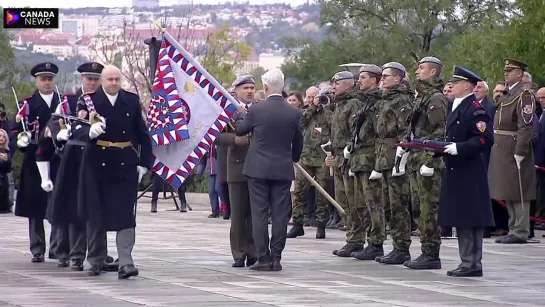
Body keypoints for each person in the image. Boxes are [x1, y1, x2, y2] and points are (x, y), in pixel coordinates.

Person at [77, 65, 152, 278]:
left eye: (117, 79)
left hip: (124, 162)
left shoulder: (130, 100)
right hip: (97, 162)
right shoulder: (89, 100)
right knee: (96, 212)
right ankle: (95, 259)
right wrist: (88, 131)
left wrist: (143, 163)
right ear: (102, 81)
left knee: (125, 213)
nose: (113, 83)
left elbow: (142, 133)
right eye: (109, 79)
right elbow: (77, 127)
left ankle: (126, 262)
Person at [234, 69, 303, 271]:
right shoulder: (294, 112)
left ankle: (263, 257)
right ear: (282, 86)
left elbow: (241, 130)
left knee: (259, 214)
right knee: (280, 215)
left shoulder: (257, 110)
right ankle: (276, 258)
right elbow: (299, 140)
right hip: (282, 168)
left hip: (257, 169)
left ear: (265, 87)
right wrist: (293, 158)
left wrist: (239, 115)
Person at [439, 66, 494, 277]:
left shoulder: (475, 108)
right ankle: (467, 261)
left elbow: (485, 138)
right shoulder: (456, 105)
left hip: (469, 169)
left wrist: (459, 148)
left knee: (470, 218)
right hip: (457, 168)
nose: (452, 85)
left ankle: (472, 263)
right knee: (462, 217)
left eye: (457, 82)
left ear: (468, 86)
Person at [12, 62, 60, 263]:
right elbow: (15, 130)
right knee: (35, 205)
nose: (47, 83)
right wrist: (21, 141)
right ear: (36, 81)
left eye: (49, 79)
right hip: (34, 156)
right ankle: (37, 247)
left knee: (59, 203)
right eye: (43, 79)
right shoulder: (27, 104)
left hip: (57, 156)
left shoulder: (62, 102)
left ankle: (57, 247)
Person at [403, 57, 448, 270]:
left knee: (428, 208)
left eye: (422, 68)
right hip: (415, 158)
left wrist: (431, 160)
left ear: (433, 73)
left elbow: (439, 132)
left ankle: (431, 253)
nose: (417, 71)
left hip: (426, 160)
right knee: (418, 208)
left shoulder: (436, 98)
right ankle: (425, 250)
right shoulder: (420, 97)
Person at [488, 59, 536, 244]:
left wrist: (520, 150)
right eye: (505, 70)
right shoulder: (508, 94)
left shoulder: (523, 95)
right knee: (508, 190)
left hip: (514, 146)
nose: (506, 73)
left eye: (510, 71)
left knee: (520, 190)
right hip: (503, 148)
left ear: (520, 74)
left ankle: (521, 229)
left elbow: (526, 126)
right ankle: (512, 227)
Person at [373, 62, 414, 265]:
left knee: (398, 205)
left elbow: (405, 130)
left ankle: (402, 247)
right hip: (384, 157)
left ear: (398, 79)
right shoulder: (386, 99)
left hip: (395, 156)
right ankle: (396, 245)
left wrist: (402, 157)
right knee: (389, 205)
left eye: (387, 76)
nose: (383, 79)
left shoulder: (401, 100)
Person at [216, 75, 257, 268]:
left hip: (258, 167)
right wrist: (234, 140)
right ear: (237, 91)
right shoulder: (228, 110)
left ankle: (254, 251)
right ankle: (239, 253)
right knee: (239, 214)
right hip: (237, 166)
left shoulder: (259, 108)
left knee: (255, 213)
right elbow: (216, 135)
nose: (249, 91)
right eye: (245, 88)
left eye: (251, 88)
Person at [348, 64, 385, 261]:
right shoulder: (364, 101)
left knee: (373, 203)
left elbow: (378, 133)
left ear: (374, 80)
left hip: (370, 158)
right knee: (360, 203)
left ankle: (376, 242)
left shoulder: (378, 102)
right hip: (359, 158)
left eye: (363, 77)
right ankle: (367, 240)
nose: (359, 81)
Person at [324, 71, 363, 256]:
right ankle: (351, 237)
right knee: (342, 199)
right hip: (338, 156)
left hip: (349, 157)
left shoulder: (354, 104)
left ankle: (356, 239)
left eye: (337, 83)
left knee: (352, 200)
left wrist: (347, 151)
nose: (333, 87)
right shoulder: (339, 104)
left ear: (348, 85)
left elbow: (354, 132)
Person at [287, 86, 332, 239]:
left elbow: (334, 124)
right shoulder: (306, 112)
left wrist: (324, 107)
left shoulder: (330, 110)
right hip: (306, 156)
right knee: (299, 190)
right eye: (310, 97)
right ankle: (298, 224)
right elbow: (300, 122)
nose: (313, 100)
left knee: (322, 193)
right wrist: (313, 107)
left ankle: (321, 224)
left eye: (315, 97)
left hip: (322, 157)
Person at [0, 129, 12, 214]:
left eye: (4, 137)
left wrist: (6, 160)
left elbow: (8, 169)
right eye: (0, 136)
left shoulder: (7, 151)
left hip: (2, 178)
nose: (1, 138)